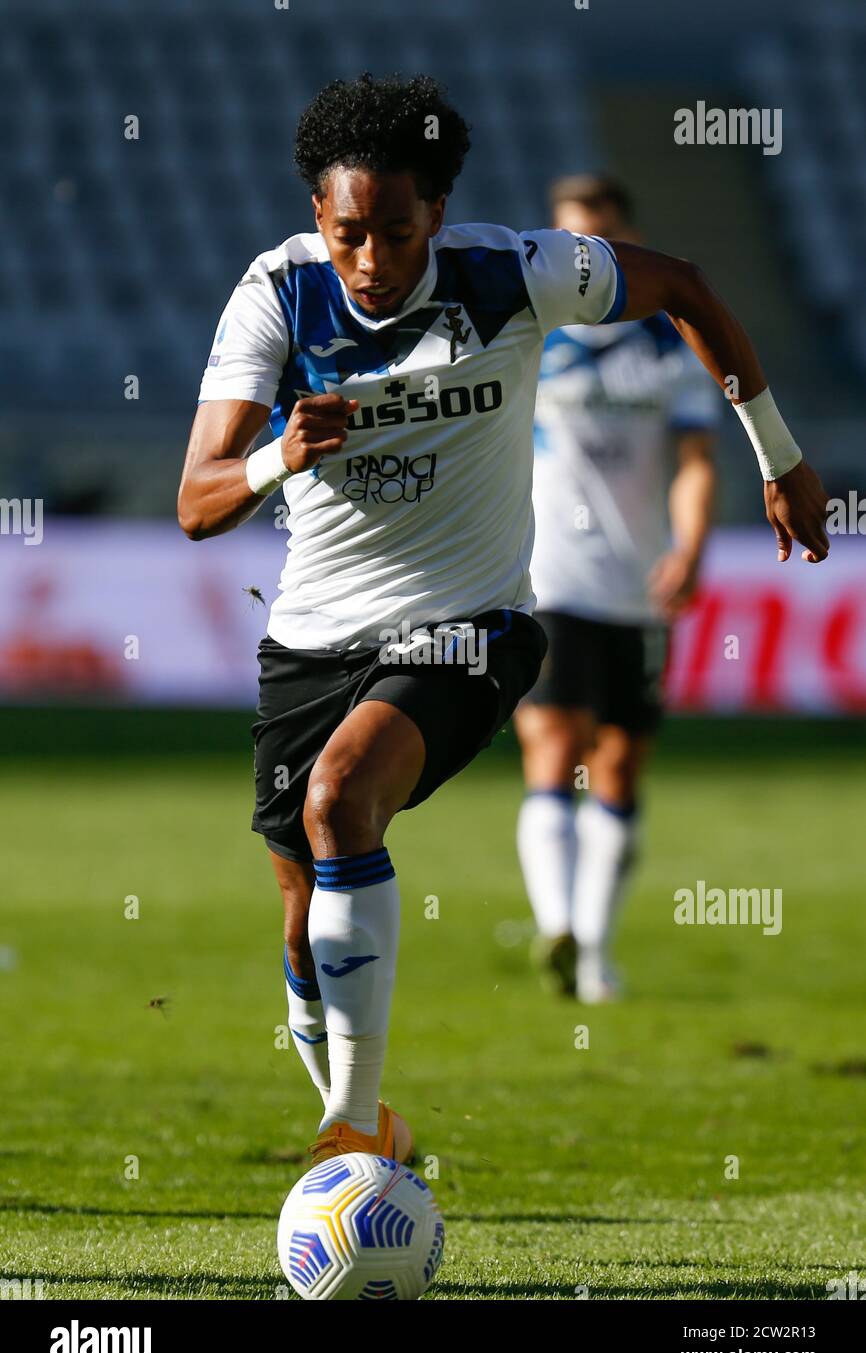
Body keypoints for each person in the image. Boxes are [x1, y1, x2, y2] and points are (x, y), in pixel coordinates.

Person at [177, 74, 829, 1166]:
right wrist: (277, 454)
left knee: (341, 802)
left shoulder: (518, 273)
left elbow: (689, 290)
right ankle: (363, 1116)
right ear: (317, 221)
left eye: (395, 231)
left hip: (467, 622)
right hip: (311, 639)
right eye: (349, 235)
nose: (373, 262)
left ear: (436, 212)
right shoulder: (275, 298)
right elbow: (197, 502)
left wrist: (780, 456)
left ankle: (352, 1126)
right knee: (297, 916)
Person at [516, 173, 718, 1002]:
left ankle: (593, 949)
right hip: (546, 573)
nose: (584, 259)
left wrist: (693, 544)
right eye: (571, 243)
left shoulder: (671, 346)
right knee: (555, 741)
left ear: (625, 244)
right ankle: (559, 926)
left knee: (622, 764)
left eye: (598, 243)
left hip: (636, 581)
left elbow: (695, 462)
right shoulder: (526, 338)